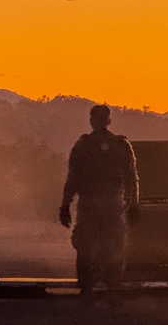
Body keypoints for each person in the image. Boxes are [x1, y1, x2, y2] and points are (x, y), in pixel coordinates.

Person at [59, 104, 140, 306]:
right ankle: (108, 290)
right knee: (109, 247)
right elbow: (132, 178)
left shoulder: (84, 145)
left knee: (93, 247)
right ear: (108, 121)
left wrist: (65, 205)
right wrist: (134, 204)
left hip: (96, 202)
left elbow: (72, 179)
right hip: (109, 202)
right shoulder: (119, 145)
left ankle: (91, 291)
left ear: (93, 120)